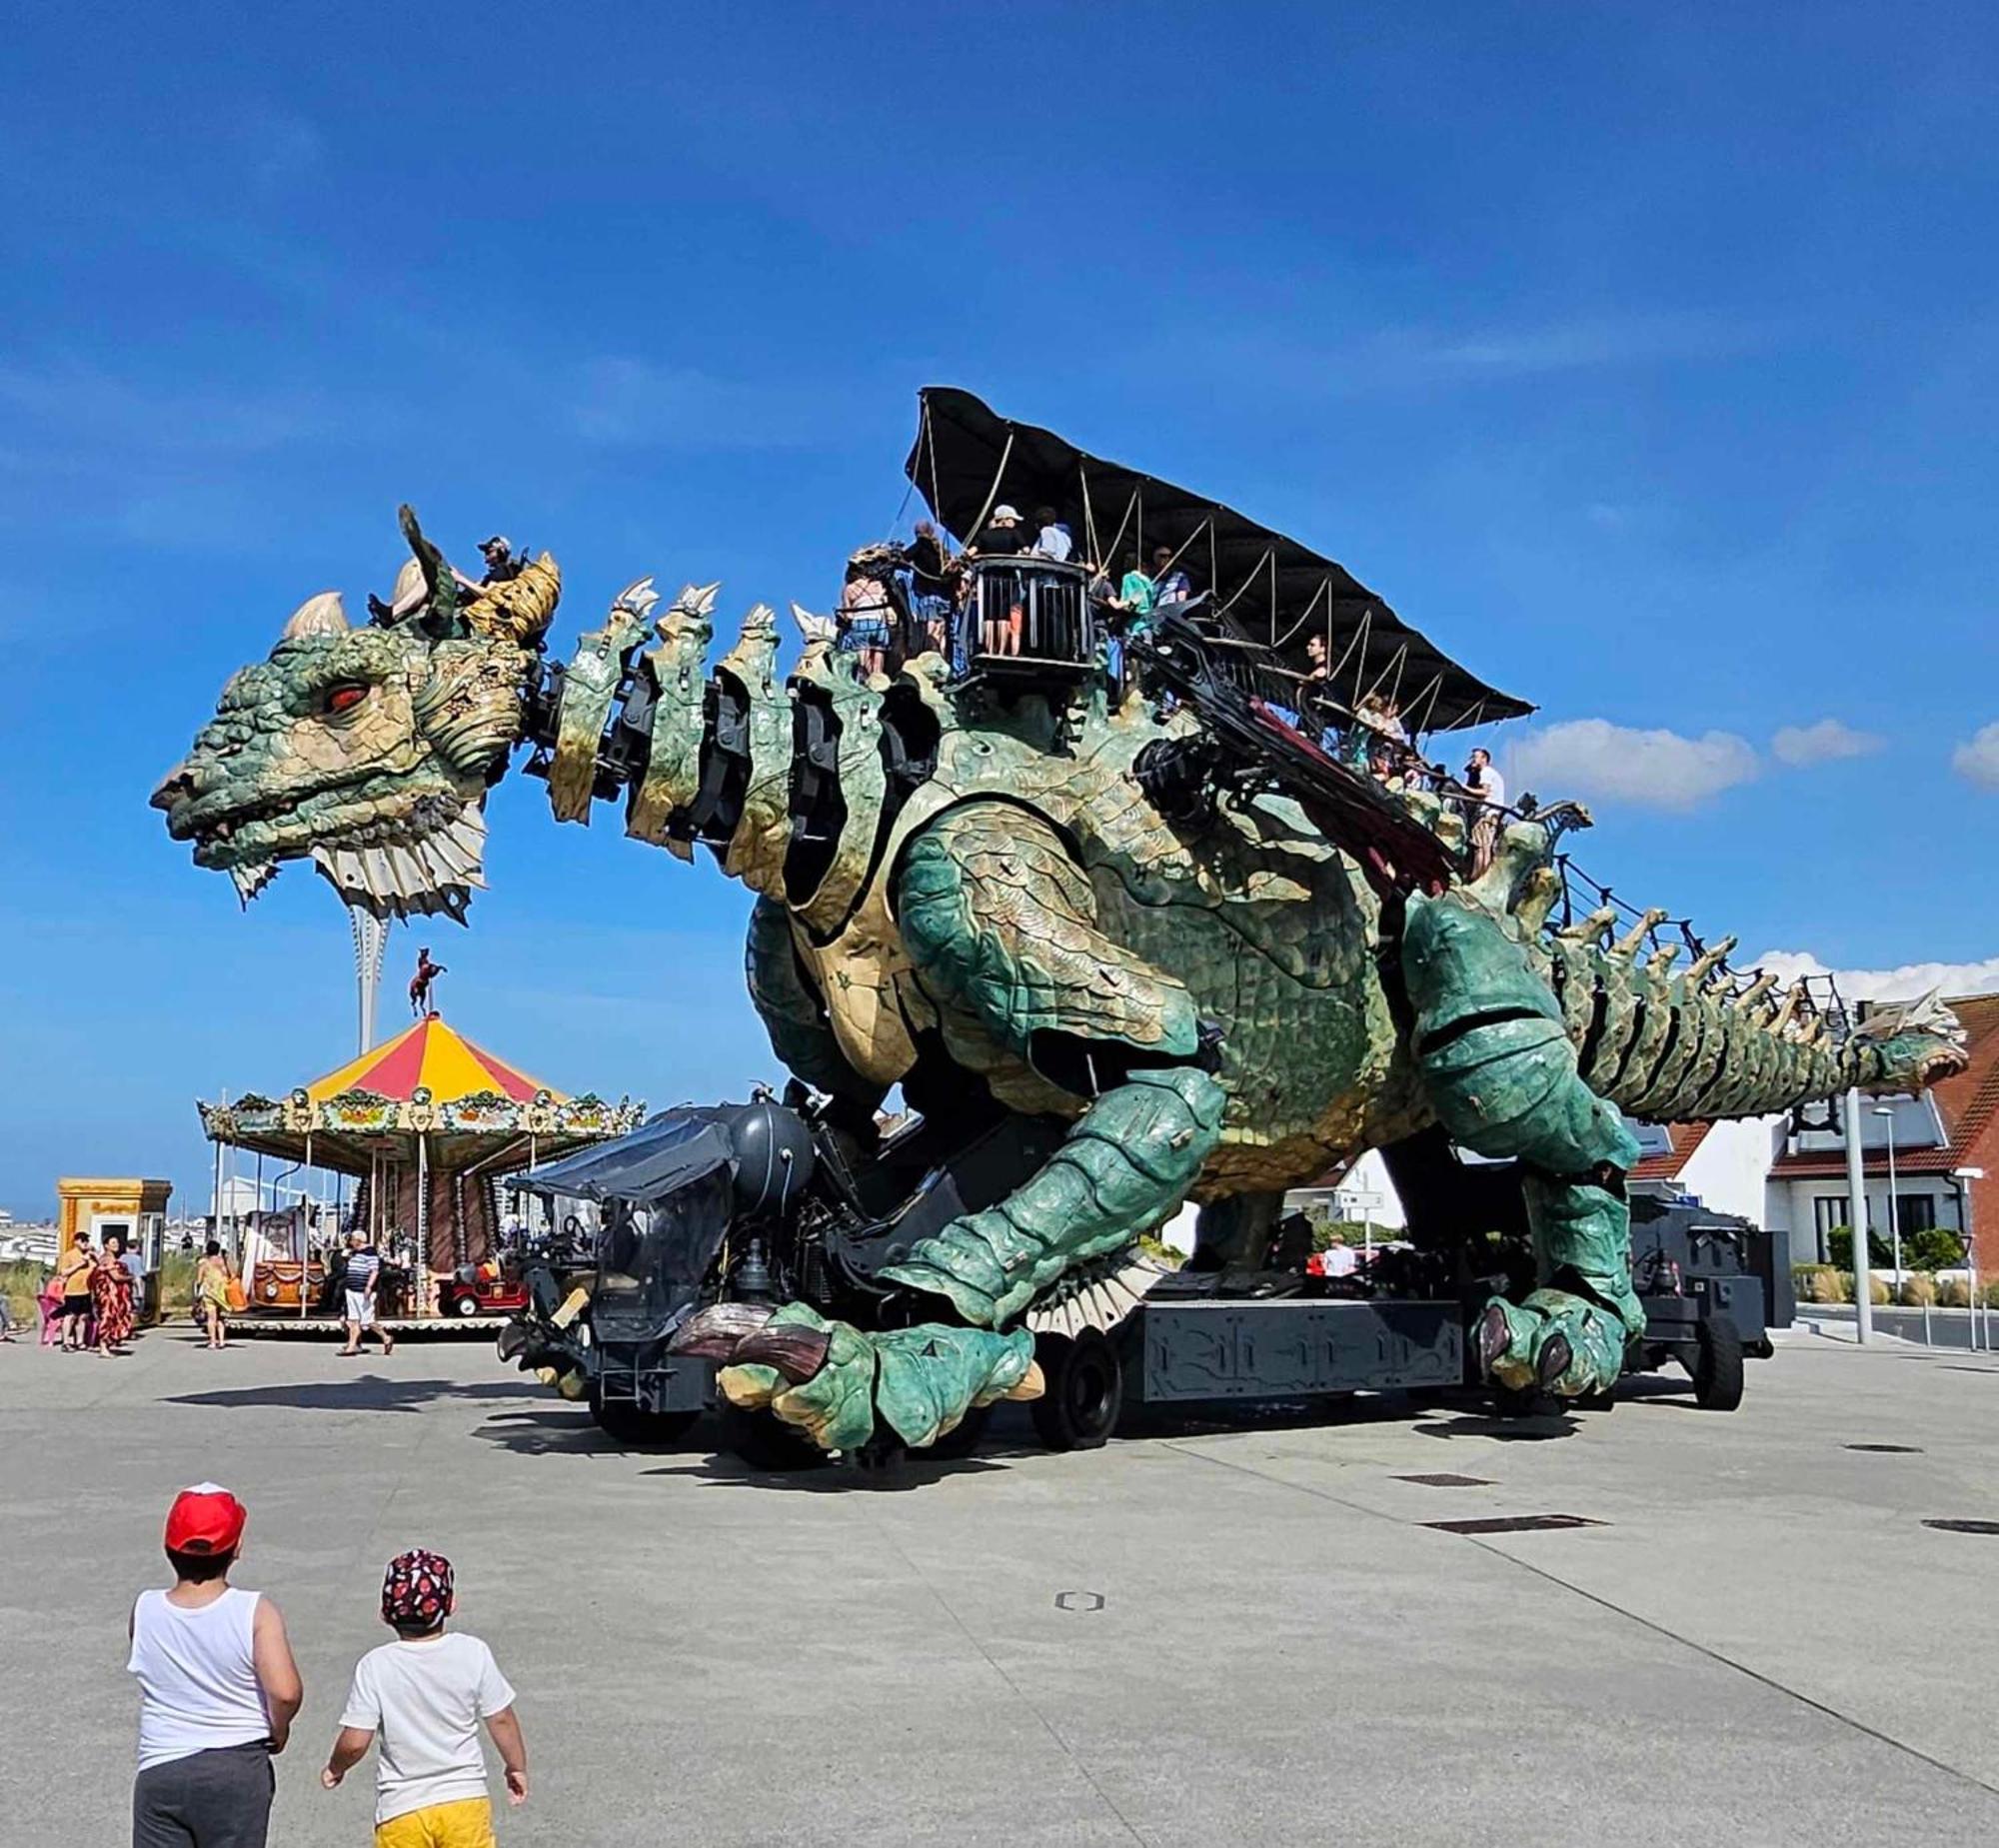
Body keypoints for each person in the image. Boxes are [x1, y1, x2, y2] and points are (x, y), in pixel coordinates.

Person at [129, 1484, 304, 1848]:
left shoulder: (144, 1609)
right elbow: (285, 1691)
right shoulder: (255, 1611)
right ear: (236, 1548)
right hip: (235, 1767)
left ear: (168, 1547)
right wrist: (279, 1728)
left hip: (162, 1765)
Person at [323, 1550, 528, 1848]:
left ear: (385, 1613)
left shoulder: (375, 1665)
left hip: (402, 1809)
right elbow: (501, 1718)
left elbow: (355, 1741)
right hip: (463, 1802)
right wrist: (516, 1766)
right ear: (451, 1605)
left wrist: (335, 1767)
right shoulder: (473, 1653)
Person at [339, 1230, 396, 1359]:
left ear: (358, 1240)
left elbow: (374, 1271)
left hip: (362, 1290)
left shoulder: (370, 1253)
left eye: (352, 1239)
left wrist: (369, 1286)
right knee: (353, 1319)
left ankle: (386, 1337)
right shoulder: (354, 1253)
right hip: (351, 1289)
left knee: (367, 1320)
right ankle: (352, 1346)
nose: (351, 1241)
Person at [835, 559, 895, 678]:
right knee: (878, 652)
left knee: (863, 653)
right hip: (878, 623)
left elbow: (848, 614)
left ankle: (863, 678)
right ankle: (877, 677)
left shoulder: (849, 589)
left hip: (860, 624)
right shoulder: (878, 584)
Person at [1462, 746, 1507, 879]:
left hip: (1487, 813)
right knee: (1484, 846)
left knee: (1481, 846)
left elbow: (1484, 792)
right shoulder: (1493, 773)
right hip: (1493, 813)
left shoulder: (1486, 772)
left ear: (1484, 758)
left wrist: (1465, 788)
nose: (1473, 760)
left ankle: (1479, 875)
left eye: (1475, 757)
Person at [95, 1231, 137, 1355]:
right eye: (113, 1243)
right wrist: (130, 1277)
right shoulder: (107, 1259)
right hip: (110, 1294)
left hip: (117, 1294)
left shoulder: (113, 1258)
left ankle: (108, 1343)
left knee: (115, 1317)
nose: (116, 1245)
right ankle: (103, 1346)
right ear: (106, 1245)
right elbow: (116, 1277)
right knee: (108, 1317)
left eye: (117, 1242)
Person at [57, 1235, 97, 1351]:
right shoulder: (69, 1255)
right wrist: (80, 1264)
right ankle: (66, 1342)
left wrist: (94, 1254)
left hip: (86, 1290)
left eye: (87, 1240)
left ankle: (80, 1341)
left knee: (83, 1316)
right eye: (82, 1240)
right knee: (71, 1316)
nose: (85, 1243)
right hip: (72, 1290)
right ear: (76, 1242)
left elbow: (98, 1267)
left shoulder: (90, 1255)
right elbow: (63, 1272)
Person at [196, 1241, 233, 1351]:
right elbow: (227, 1274)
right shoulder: (222, 1262)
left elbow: (198, 1280)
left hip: (210, 1293)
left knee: (211, 1319)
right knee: (221, 1318)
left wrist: (197, 1294)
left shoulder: (204, 1263)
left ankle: (212, 1341)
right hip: (222, 1292)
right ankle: (221, 1341)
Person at [409, 948, 447, 1018]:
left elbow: (428, 966)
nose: (426, 954)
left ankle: (422, 1007)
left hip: (425, 980)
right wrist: (428, 966)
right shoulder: (421, 959)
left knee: (424, 993)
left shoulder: (426, 960)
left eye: (426, 953)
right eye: (425, 953)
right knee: (419, 979)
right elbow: (423, 966)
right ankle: (415, 1000)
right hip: (421, 976)